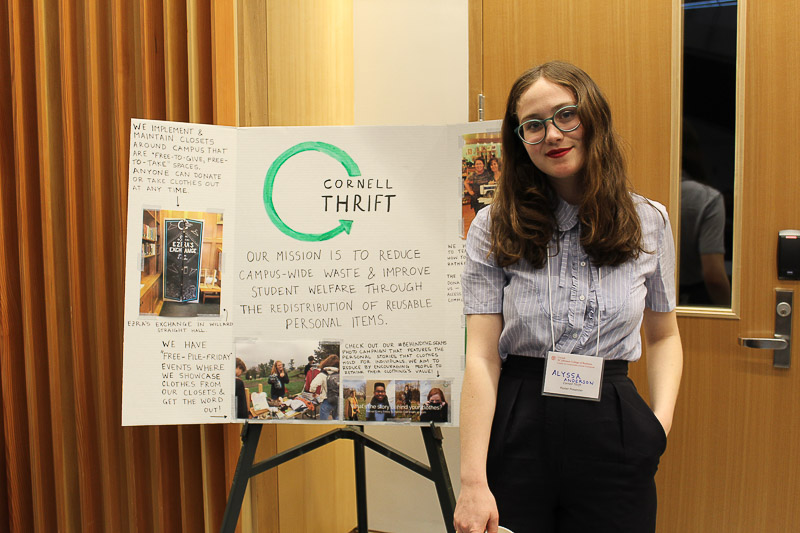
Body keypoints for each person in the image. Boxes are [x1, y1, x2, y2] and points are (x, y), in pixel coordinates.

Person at [454, 61, 683, 533]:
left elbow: (663, 335)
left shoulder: (650, 221)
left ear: (592, 117)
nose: (552, 135)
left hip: (614, 423)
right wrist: (473, 481)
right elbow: (480, 356)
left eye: (565, 115)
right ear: (520, 140)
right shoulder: (493, 225)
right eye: (533, 125)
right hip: (519, 420)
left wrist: (657, 427)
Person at [310, 354, 340, 420]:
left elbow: (313, 385)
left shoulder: (322, 374)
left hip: (326, 400)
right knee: (337, 419)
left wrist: (313, 392)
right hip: (338, 400)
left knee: (324, 421)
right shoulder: (340, 373)